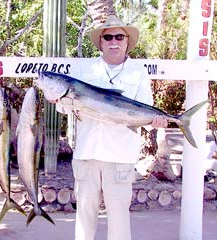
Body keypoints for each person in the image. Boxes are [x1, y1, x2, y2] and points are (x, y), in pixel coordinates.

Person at [55, 15, 168, 240]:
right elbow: (64, 110)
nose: (113, 41)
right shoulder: (84, 71)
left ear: (127, 41)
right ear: (101, 43)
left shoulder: (138, 73)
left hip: (120, 156)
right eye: (108, 37)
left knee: (118, 218)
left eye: (119, 36)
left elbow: (146, 110)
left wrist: (156, 120)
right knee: (85, 216)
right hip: (87, 154)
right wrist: (58, 99)